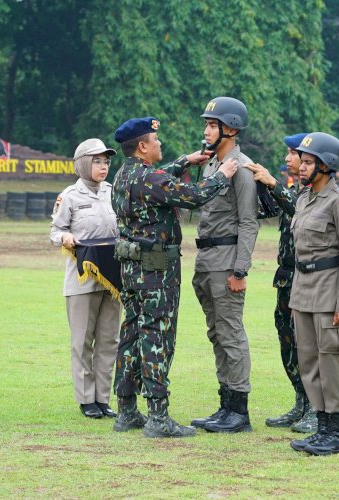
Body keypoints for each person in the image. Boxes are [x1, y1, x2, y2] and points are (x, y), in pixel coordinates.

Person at [111, 116, 238, 438]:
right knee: (157, 337)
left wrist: (185, 161)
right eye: (155, 141)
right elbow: (194, 196)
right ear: (142, 147)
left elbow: (159, 179)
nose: (159, 144)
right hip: (156, 270)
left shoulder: (126, 174)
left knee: (132, 335)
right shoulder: (150, 179)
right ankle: (158, 417)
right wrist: (221, 176)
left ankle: (126, 410)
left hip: (130, 267)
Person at [190, 97, 259, 434]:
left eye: (212, 124)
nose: (206, 130)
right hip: (205, 261)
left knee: (231, 334)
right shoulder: (211, 165)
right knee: (217, 334)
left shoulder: (241, 168)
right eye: (207, 124)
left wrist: (240, 270)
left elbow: (249, 222)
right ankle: (225, 405)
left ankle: (239, 410)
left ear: (230, 128)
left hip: (226, 263)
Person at [242, 133, 318, 435]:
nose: (288, 159)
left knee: (307, 343)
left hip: (307, 278)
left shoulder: (315, 192)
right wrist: (262, 190)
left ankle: (316, 407)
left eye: (293, 154)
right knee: (288, 342)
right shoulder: (296, 189)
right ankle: (301, 401)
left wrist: (273, 184)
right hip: (285, 277)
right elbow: (272, 210)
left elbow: (300, 212)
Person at [288, 132, 339, 456]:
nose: (301, 167)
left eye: (307, 162)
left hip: (330, 290)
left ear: (325, 165)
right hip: (303, 290)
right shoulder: (304, 199)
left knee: (331, 361)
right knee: (309, 361)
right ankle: (321, 427)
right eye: (301, 161)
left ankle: (338, 433)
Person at [50, 138, 122, 419]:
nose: (103, 166)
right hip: (82, 279)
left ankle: (103, 399)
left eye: (106, 161)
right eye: (97, 161)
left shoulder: (113, 193)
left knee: (109, 339)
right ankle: (86, 400)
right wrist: (65, 237)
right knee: (82, 340)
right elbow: (55, 231)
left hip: (112, 278)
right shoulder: (70, 195)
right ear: (82, 164)